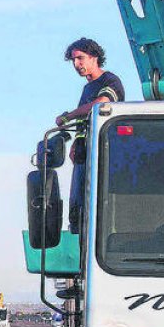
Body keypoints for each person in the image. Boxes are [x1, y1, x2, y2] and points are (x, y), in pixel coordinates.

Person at [55, 37, 125, 232]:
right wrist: (76, 144)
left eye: (80, 58)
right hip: (86, 154)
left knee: (98, 207)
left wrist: (68, 116)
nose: (77, 64)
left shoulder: (110, 80)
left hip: (105, 153)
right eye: (73, 60)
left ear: (94, 57)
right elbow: (82, 123)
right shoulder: (87, 89)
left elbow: (99, 105)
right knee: (79, 210)